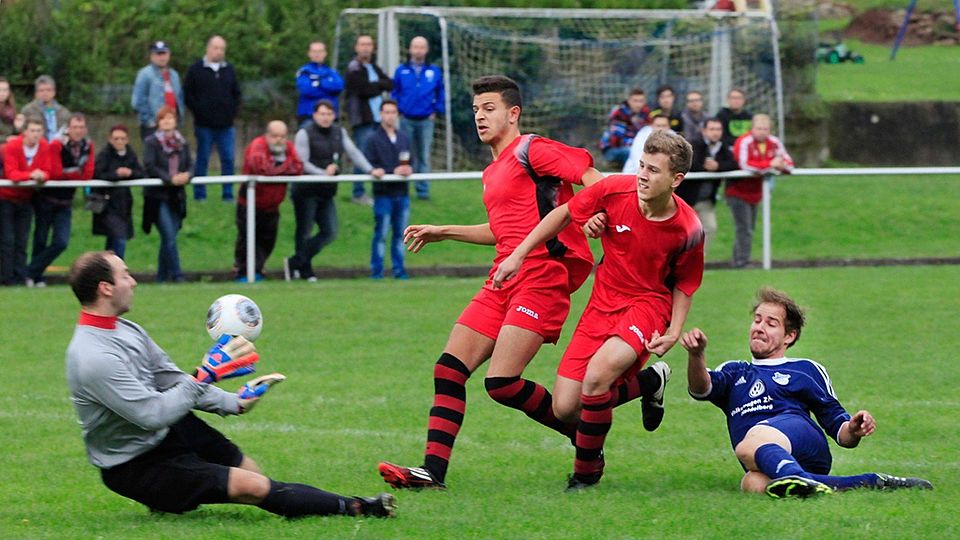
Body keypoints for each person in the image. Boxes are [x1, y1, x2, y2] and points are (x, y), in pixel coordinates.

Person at [377, 75, 609, 489]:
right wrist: (445, 231)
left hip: (542, 277)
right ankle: (432, 473)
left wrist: (599, 210)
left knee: (501, 383)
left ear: (513, 113)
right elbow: (503, 231)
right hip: (503, 277)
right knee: (449, 370)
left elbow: (591, 175)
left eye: (489, 109)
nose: (480, 117)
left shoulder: (532, 149)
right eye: (475, 110)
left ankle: (583, 438)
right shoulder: (491, 171)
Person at [65, 250, 397, 517]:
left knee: (257, 477)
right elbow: (152, 414)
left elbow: (171, 380)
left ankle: (171, 498)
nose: (133, 281)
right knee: (253, 488)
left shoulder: (127, 329)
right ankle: (359, 507)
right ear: (105, 288)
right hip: (135, 464)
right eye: (125, 275)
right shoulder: (93, 357)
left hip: (170, 429)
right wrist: (205, 374)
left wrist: (233, 401)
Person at [493, 130, 704, 490]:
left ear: (676, 180)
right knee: (565, 408)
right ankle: (650, 382)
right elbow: (563, 214)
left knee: (596, 379)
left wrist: (673, 330)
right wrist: (519, 254)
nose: (642, 175)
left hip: (648, 304)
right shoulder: (615, 190)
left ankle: (585, 475)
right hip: (602, 302)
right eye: (641, 166)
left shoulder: (688, 228)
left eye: (653, 170)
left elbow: (685, 282)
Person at [681, 287, 934, 498]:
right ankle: (863, 482)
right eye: (757, 320)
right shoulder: (735, 371)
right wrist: (696, 355)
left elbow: (840, 430)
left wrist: (853, 428)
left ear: (789, 336)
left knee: (751, 441)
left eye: (771, 323)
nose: (759, 327)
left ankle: (798, 476)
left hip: (806, 445)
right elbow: (701, 389)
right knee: (752, 484)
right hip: (763, 458)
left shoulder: (805, 369)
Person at [287, 100, 383, 281]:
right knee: (304, 231)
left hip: (326, 192)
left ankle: (295, 262)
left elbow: (354, 153)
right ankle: (305, 270)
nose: (326, 118)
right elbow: (301, 163)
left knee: (330, 231)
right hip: (305, 191)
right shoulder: (304, 133)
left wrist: (370, 170)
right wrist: (323, 173)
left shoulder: (339, 132)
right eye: (322, 114)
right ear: (315, 115)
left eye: (329, 114)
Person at [28, 113, 94, 287]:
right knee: (40, 239)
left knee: (61, 242)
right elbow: (56, 173)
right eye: (75, 127)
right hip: (47, 199)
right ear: (68, 129)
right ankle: (36, 277)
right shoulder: (56, 145)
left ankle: (29, 272)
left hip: (65, 202)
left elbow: (87, 174)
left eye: (81, 127)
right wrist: (76, 173)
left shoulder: (88, 146)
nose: (78, 131)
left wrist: (70, 174)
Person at [233, 121, 304, 282]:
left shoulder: (289, 147)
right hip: (250, 203)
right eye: (275, 136)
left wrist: (278, 169)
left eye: (283, 136)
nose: (279, 140)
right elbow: (261, 168)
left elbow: (298, 167)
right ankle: (242, 273)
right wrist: (285, 168)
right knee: (247, 239)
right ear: (267, 135)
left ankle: (258, 270)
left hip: (272, 206)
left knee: (267, 240)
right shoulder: (257, 146)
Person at [728, 114, 793, 268]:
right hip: (737, 191)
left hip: (756, 193)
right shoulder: (744, 141)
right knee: (745, 228)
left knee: (748, 228)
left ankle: (739, 260)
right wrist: (770, 164)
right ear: (752, 128)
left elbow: (788, 163)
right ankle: (741, 262)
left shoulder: (774, 142)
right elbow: (745, 164)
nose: (762, 132)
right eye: (759, 128)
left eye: (765, 129)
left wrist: (781, 166)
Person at [184, 35, 241, 202]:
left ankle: (228, 193)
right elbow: (188, 94)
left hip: (226, 126)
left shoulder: (229, 70)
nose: (219, 52)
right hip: (204, 125)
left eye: (222, 49)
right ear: (208, 49)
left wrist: (231, 113)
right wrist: (199, 112)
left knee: (228, 159)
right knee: (202, 159)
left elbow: (236, 94)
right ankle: (200, 194)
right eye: (216, 48)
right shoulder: (195, 69)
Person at [363, 99, 414, 279]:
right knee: (381, 234)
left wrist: (408, 169)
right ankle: (377, 271)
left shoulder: (404, 137)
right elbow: (370, 164)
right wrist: (392, 171)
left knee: (401, 234)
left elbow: (412, 161)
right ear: (380, 114)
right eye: (387, 112)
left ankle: (399, 270)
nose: (390, 116)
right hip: (383, 194)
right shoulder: (372, 139)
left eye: (393, 112)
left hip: (402, 193)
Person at [142, 106, 191, 283]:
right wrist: (170, 179)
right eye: (163, 119)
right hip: (158, 196)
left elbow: (190, 164)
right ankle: (177, 275)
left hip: (176, 197)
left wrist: (187, 175)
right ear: (158, 122)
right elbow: (150, 165)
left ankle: (162, 277)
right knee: (169, 235)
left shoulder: (183, 142)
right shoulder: (151, 142)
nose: (167, 121)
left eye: (170, 118)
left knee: (169, 238)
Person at [392, 36, 444, 200]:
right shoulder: (401, 70)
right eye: (415, 47)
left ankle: (423, 191)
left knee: (423, 155)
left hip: (426, 120)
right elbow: (395, 92)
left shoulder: (434, 71)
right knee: (405, 154)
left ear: (426, 50)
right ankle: (403, 188)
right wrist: (398, 109)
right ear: (410, 49)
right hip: (406, 118)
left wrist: (436, 110)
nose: (418, 50)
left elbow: (440, 92)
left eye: (421, 47)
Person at [1, 117, 50, 285]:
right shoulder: (12, 146)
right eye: (32, 130)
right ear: (24, 132)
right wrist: (31, 175)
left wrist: (42, 175)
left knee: (22, 240)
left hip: (26, 199)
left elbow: (48, 170)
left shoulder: (44, 147)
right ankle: (6, 277)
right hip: (6, 198)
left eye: (39, 131)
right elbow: (11, 173)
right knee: (7, 240)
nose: (35, 134)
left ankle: (19, 276)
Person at [677, 117, 737, 255]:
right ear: (703, 131)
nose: (715, 133)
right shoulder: (693, 144)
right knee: (681, 231)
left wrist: (718, 166)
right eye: (712, 129)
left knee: (710, 227)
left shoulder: (723, 147)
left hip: (706, 200)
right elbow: (688, 164)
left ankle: (698, 260)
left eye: (718, 129)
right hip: (685, 199)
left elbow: (733, 164)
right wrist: (706, 167)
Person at [345, 34, 393, 207]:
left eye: (369, 44)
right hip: (363, 119)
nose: (365, 48)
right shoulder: (353, 67)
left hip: (377, 119)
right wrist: (379, 85)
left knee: (379, 155)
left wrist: (376, 85)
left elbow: (390, 83)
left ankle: (379, 190)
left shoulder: (373, 66)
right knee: (362, 155)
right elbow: (363, 89)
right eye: (362, 44)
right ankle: (358, 192)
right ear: (356, 47)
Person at [92, 125, 143, 259]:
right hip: (106, 203)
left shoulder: (130, 154)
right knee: (119, 238)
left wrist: (130, 173)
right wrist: (116, 174)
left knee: (113, 241)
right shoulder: (104, 155)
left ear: (127, 140)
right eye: (116, 139)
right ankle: (117, 268)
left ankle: (106, 269)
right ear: (110, 139)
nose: (119, 141)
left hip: (124, 204)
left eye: (122, 138)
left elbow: (141, 172)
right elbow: (98, 174)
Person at [132, 41, 185, 141]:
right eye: (158, 54)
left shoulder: (174, 75)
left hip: (171, 125)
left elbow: (179, 98)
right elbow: (137, 102)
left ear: (169, 55)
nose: (162, 57)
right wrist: (149, 121)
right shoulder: (144, 74)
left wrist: (178, 119)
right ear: (152, 56)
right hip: (153, 127)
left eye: (164, 53)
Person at [599, 87, 650, 169]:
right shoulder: (619, 112)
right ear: (629, 100)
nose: (638, 104)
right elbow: (617, 141)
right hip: (612, 149)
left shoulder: (645, 113)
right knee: (633, 153)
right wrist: (637, 146)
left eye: (641, 101)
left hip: (635, 146)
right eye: (635, 101)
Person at [296, 41, 344, 126]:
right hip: (309, 115)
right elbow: (307, 90)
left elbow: (339, 86)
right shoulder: (304, 71)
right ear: (309, 53)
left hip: (330, 116)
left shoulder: (332, 72)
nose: (317, 54)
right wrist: (329, 91)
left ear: (325, 53)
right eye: (314, 51)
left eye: (320, 51)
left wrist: (319, 83)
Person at [20, 75, 71, 142]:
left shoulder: (64, 112)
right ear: (36, 93)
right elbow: (21, 132)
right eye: (41, 90)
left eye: (48, 90)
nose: (45, 93)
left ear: (54, 92)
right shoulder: (27, 110)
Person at [0, 77, 23, 143]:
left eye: (5, 90)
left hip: (10, 144)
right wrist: (6, 139)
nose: (2, 93)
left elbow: (14, 132)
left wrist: (18, 127)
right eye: (0, 90)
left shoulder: (11, 108)